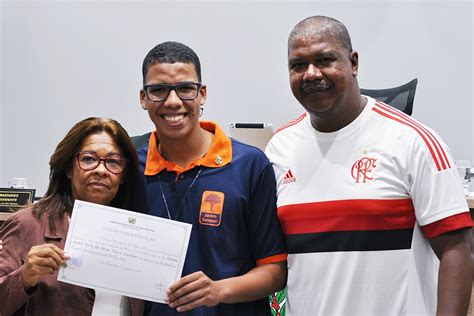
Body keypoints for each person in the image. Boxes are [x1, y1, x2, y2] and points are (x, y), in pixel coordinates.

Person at [265, 15, 473, 316]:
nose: (310, 74)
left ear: (353, 63)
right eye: (298, 65)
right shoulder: (278, 148)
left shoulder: (414, 141)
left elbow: (457, 251)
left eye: (325, 59)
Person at [137, 41, 287, 315]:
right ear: (143, 98)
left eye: (185, 89)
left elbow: (274, 271)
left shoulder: (249, 166)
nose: (172, 102)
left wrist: (219, 291)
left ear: (202, 94)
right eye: (158, 90)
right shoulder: (132, 169)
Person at [0, 117, 145, 315]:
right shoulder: (27, 224)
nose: (101, 170)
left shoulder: (136, 233)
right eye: (88, 159)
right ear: (69, 168)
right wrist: (24, 277)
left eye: (113, 162)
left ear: (123, 174)